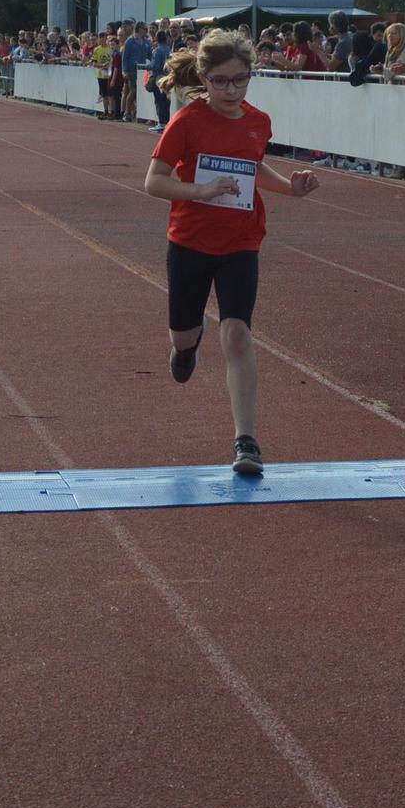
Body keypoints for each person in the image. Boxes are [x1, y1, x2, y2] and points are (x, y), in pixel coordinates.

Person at [144, 29, 319, 478]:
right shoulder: (186, 121)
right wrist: (200, 190)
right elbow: (154, 180)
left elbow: (253, 165)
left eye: (239, 80)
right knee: (183, 335)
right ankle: (186, 348)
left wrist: (289, 189)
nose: (230, 90)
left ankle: (246, 440)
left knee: (238, 334)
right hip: (190, 242)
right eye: (220, 81)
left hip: (242, 241)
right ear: (203, 77)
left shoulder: (258, 121)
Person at [121, 22, 151, 121]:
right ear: (138, 29)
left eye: (146, 29)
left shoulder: (147, 42)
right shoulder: (130, 41)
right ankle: (127, 112)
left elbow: (150, 56)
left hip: (143, 70)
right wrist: (124, 71)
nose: (146, 31)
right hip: (132, 69)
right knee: (133, 90)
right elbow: (125, 57)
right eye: (144, 29)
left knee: (141, 92)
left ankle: (138, 113)